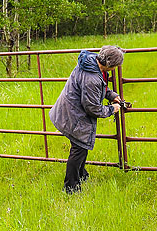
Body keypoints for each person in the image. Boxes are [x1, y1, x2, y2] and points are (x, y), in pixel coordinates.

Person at [50, 45, 125, 194]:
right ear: (110, 64)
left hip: (69, 109)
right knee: (79, 150)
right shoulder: (92, 78)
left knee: (81, 147)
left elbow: (97, 89)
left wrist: (110, 95)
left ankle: (81, 175)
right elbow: (93, 108)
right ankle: (71, 188)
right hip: (73, 115)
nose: (116, 69)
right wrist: (112, 109)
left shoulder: (90, 62)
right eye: (116, 66)